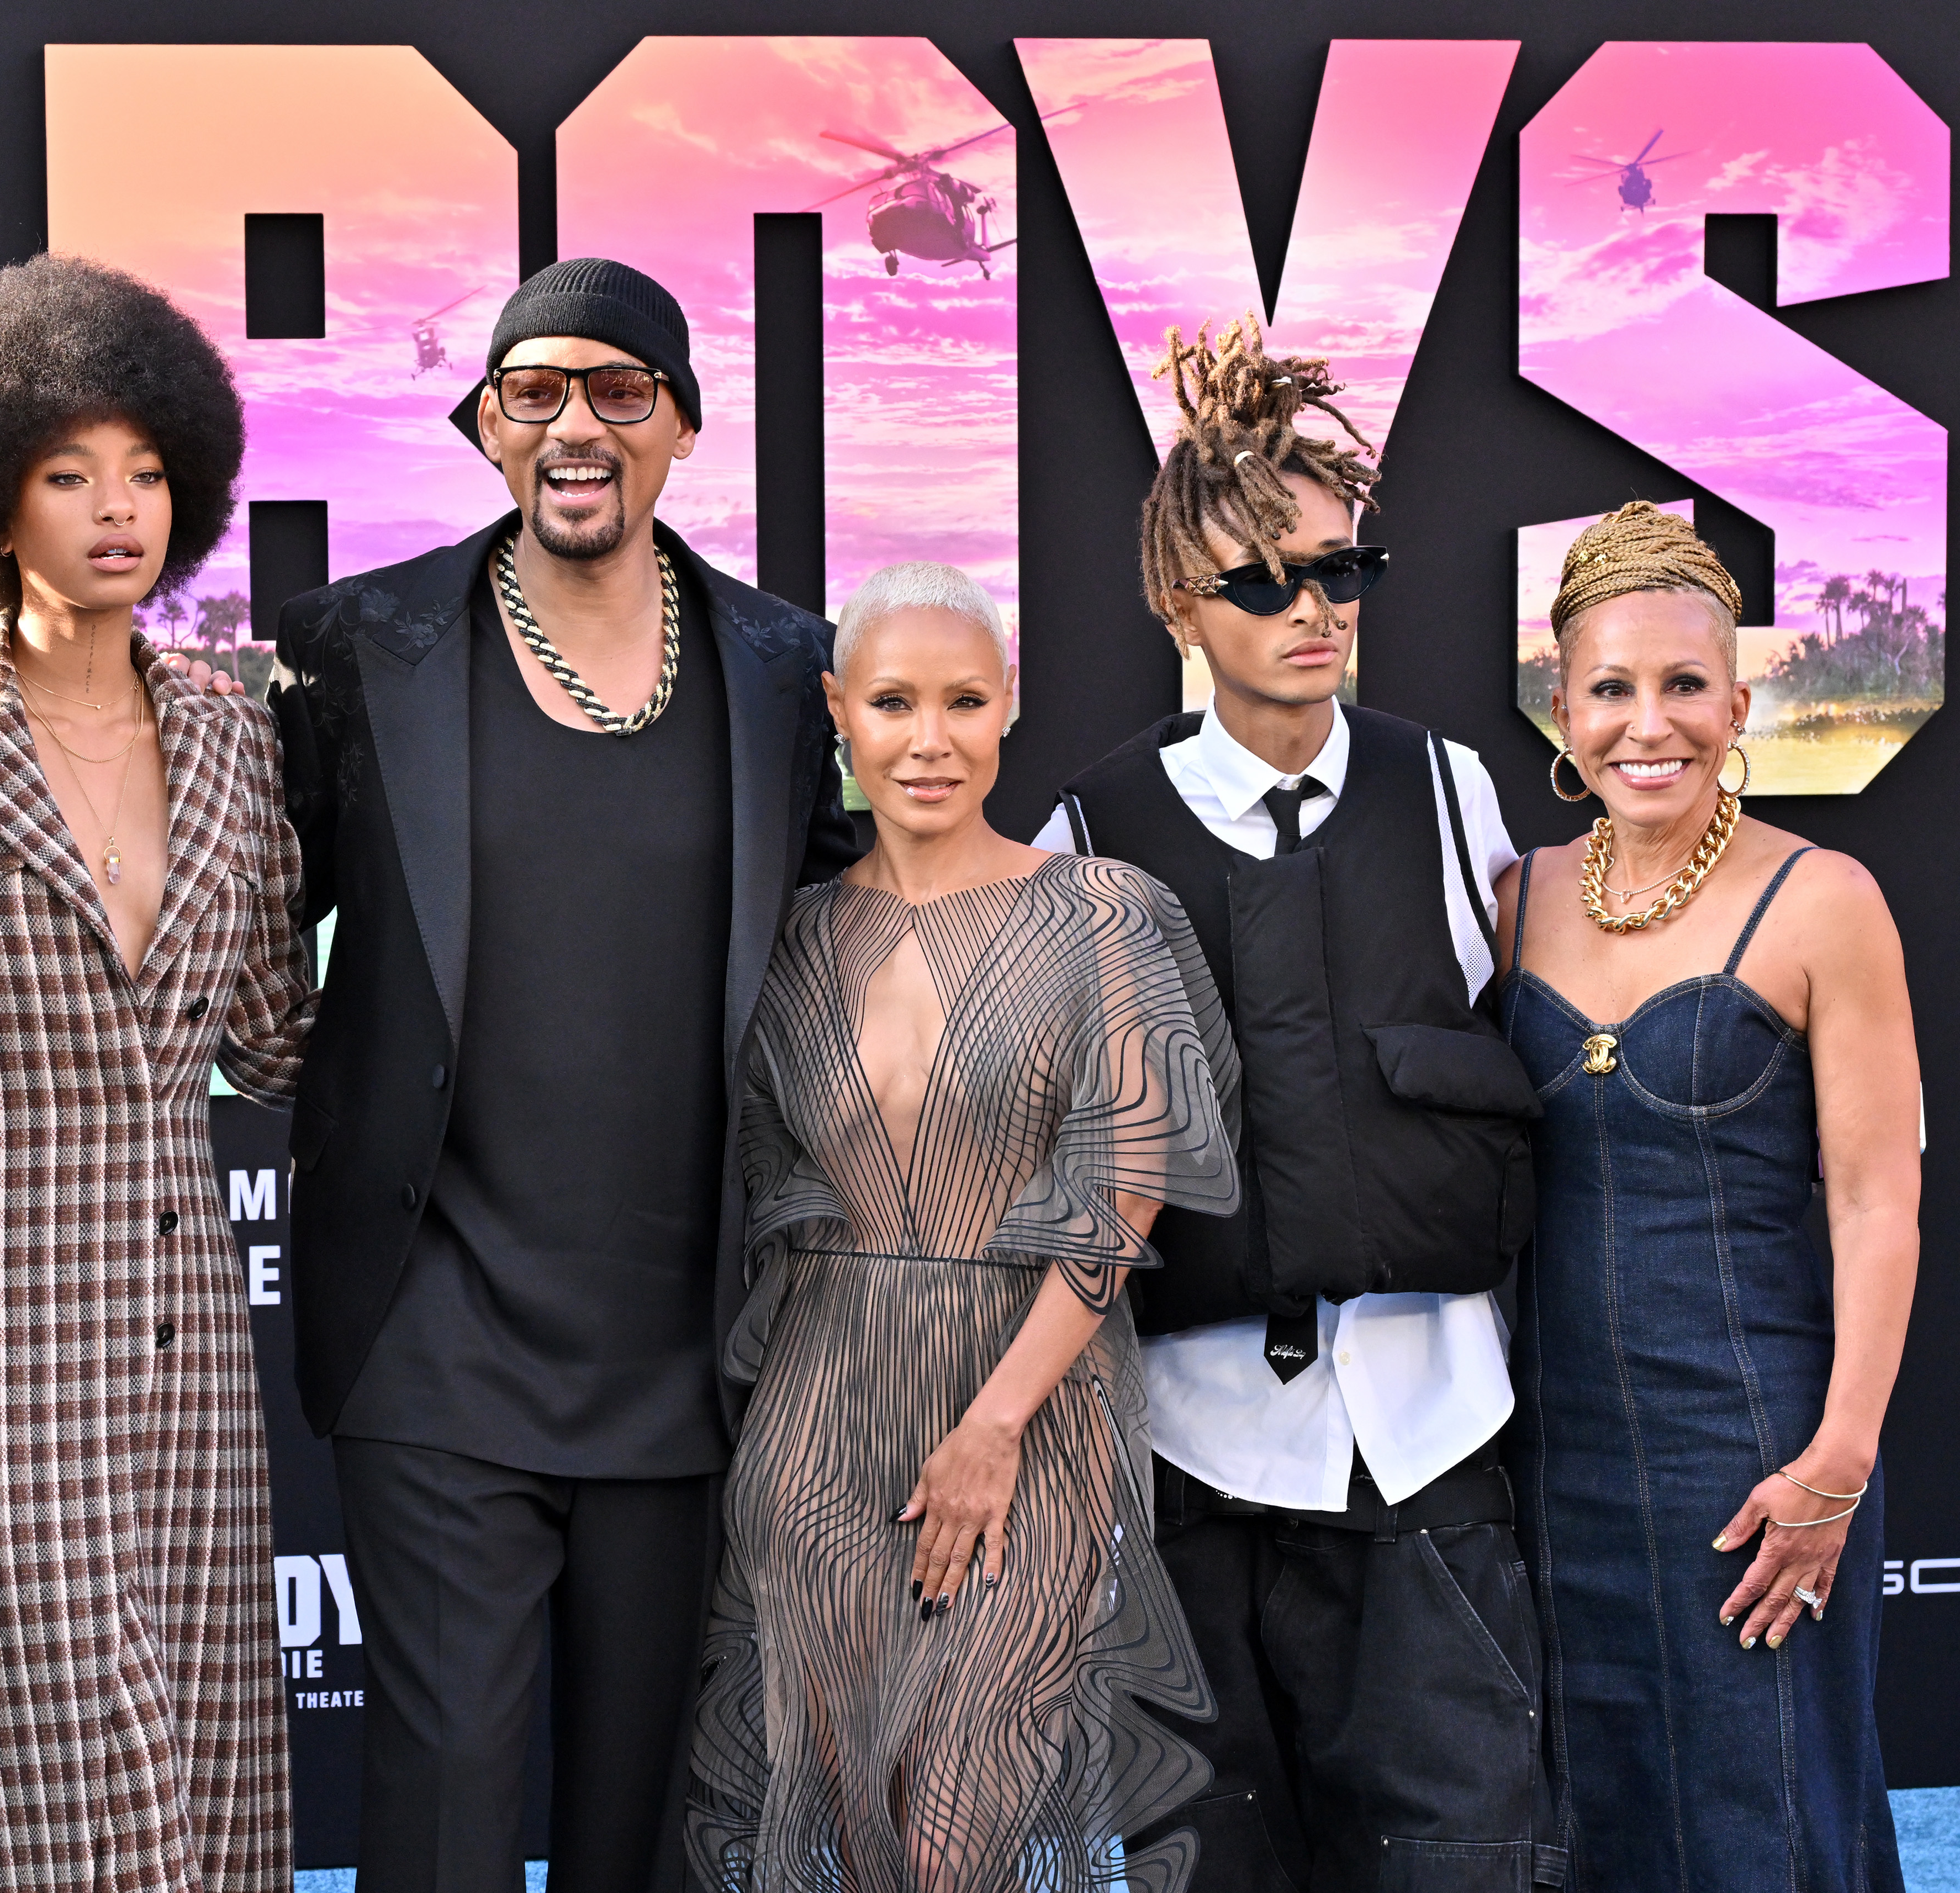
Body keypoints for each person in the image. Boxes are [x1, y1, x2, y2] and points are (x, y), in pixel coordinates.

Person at [270, 256, 861, 1891]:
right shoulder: (356, 646)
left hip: (690, 1350)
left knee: (642, 1823)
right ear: (487, 424)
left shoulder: (781, 668)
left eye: (619, 390)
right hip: (436, 1338)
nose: (576, 424)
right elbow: (236, 917)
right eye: (536, 392)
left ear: (680, 425)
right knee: (449, 1807)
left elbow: (876, 932)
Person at [1036, 317, 1560, 1889]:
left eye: (1342, 570)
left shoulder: (1457, 788)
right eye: (1264, 580)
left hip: (1433, 1447)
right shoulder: (1095, 832)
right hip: (1196, 1471)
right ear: (1179, 604)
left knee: (1468, 1859)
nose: (1312, 607)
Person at [0, 256, 313, 1893]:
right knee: (15, 1724)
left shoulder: (237, 727)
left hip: (185, 1306)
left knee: (198, 1719)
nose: (122, 510)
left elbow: (269, 1027)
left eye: (149, 473)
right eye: (69, 474)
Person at [688, 562, 1239, 1888]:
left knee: (960, 1840)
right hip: (822, 1409)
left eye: (962, 702)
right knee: (851, 1827)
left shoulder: (1099, 913)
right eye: (891, 703)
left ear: (1009, 708)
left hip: (1031, 1412)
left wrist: (996, 1425)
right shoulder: (792, 935)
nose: (928, 740)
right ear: (838, 711)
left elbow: (1122, 1193)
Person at [1496, 501, 1916, 1891]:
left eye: (1684, 684)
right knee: (1589, 1824)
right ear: (1559, 705)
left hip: (1752, 1458)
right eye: (1610, 687)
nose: (1647, 722)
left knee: (1768, 1816)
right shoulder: (1514, 898)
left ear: (1740, 700)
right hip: (1548, 1469)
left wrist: (1836, 1462)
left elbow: (1873, 1201)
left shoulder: (1822, 898)